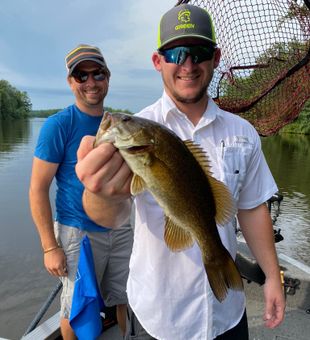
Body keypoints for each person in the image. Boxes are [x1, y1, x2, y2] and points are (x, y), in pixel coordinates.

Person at [75, 5, 286, 340]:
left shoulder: (243, 132)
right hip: (160, 317)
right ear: (158, 61)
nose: (188, 64)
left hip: (226, 315)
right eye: (175, 52)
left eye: (199, 52)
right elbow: (111, 217)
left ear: (215, 58)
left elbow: (251, 207)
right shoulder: (142, 129)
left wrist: (272, 276)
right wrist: (98, 192)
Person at [29, 44, 133, 340]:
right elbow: (37, 189)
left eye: (97, 73)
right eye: (81, 75)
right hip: (78, 233)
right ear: (70, 82)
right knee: (77, 310)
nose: (90, 82)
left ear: (107, 78)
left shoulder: (120, 123)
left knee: (125, 297)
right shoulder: (58, 125)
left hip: (122, 229)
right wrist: (50, 247)